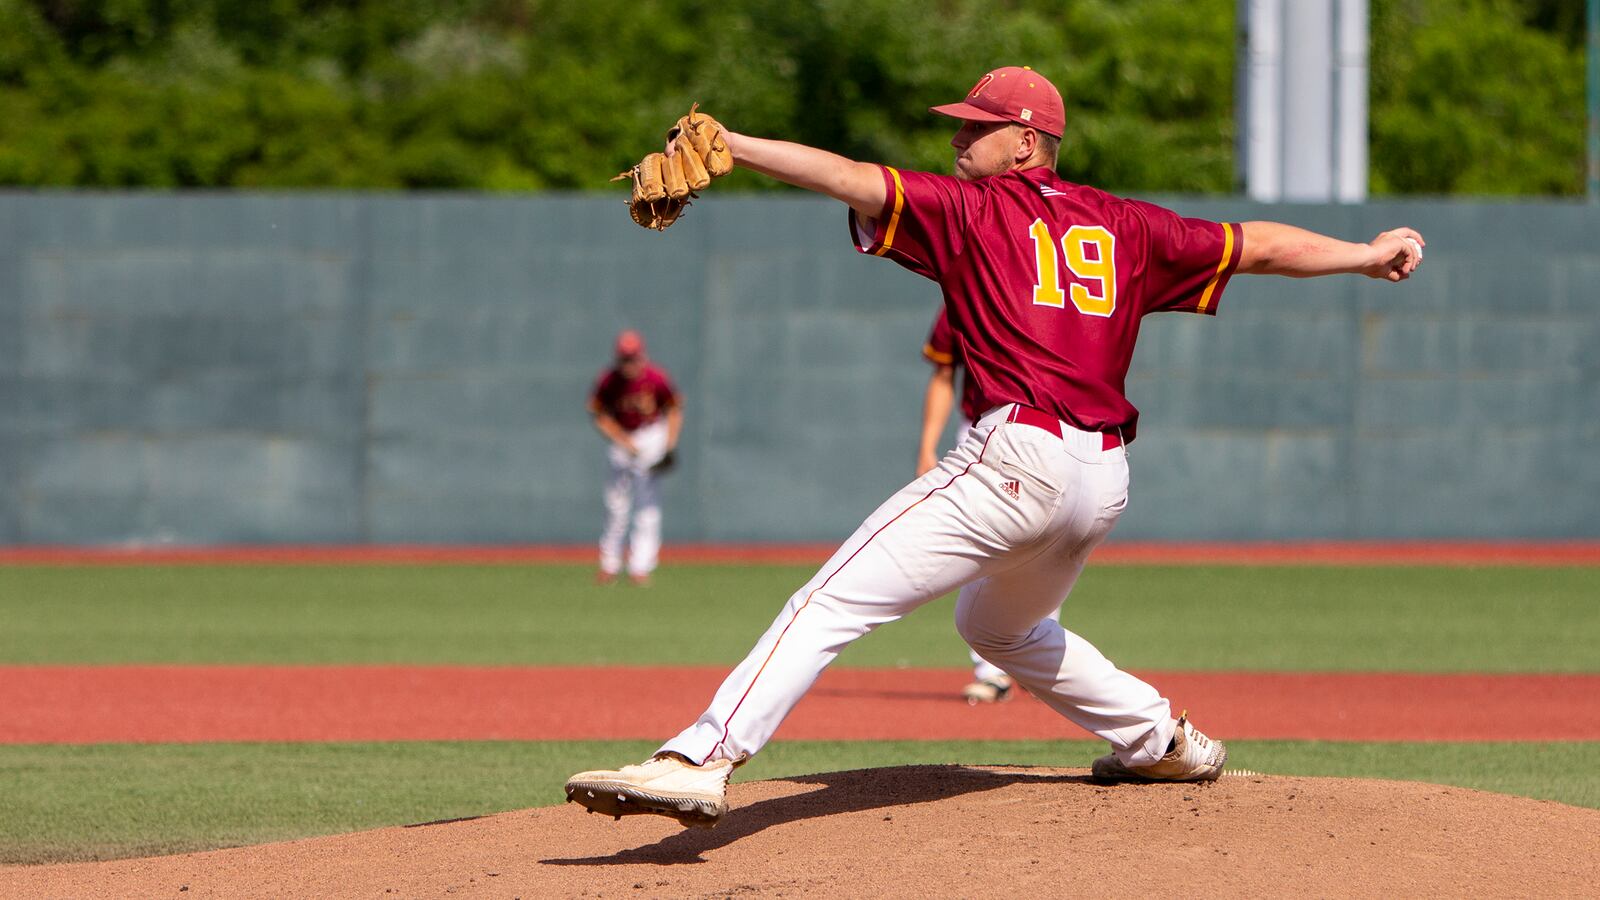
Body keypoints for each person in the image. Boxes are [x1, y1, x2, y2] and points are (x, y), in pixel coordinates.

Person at [566, 66, 1423, 827]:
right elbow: (1259, 245)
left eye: (974, 126)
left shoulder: (970, 210)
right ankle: (1161, 739)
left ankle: (698, 759)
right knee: (998, 626)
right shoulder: (1127, 225)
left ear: (1025, 142)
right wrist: (1366, 253)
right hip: (1102, 481)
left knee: (830, 602)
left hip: (1014, 459)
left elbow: (848, 177)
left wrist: (739, 146)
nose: (956, 137)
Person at [918, 306, 1063, 705]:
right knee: (980, 542)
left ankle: (1042, 667)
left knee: (1044, 545)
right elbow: (944, 373)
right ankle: (991, 671)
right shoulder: (962, 296)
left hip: (1044, 428)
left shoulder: (1045, 293)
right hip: (980, 430)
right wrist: (928, 446)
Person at [588, 329, 682, 586]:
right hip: (623, 439)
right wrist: (621, 439)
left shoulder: (655, 377)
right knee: (615, 505)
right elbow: (598, 414)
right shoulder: (609, 380)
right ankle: (609, 563)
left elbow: (673, 409)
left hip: (651, 436)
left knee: (647, 506)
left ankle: (641, 566)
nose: (629, 363)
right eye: (624, 358)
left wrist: (669, 446)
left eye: (633, 357)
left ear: (642, 356)